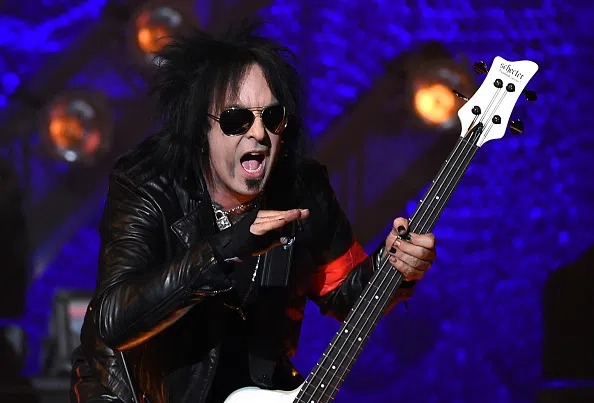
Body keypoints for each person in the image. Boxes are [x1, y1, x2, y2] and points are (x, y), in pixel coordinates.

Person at [70, 21, 437, 403]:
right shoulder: (149, 184)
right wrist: (225, 249)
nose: (259, 133)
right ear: (200, 129)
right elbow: (114, 320)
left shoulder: (302, 189)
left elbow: (344, 293)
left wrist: (393, 266)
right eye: (236, 120)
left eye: (272, 117)